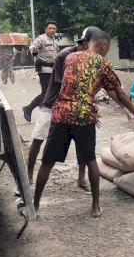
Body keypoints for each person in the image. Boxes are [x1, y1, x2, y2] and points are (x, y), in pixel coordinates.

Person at [32, 29, 134, 218]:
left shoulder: (70, 57)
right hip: (83, 115)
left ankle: (35, 206)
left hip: (61, 113)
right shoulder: (103, 64)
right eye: (108, 48)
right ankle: (96, 206)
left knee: (47, 161)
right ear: (104, 45)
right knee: (90, 160)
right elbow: (119, 93)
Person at [27, 26, 102, 188]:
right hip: (53, 103)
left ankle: (82, 177)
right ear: (86, 42)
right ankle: (29, 174)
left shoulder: (91, 58)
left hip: (71, 106)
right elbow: (68, 86)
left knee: (83, 143)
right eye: (94, 44)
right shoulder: (65, 56)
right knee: (39, 139)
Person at [23, 20, 59, 122]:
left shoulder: (54, 41)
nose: (52, 30)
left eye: (54, 28)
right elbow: (33, 47)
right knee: (46, 93)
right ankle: (28, 108)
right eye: (50, 28)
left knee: (54, 92)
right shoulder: (41, 38)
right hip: (44, 70)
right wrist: (34, 50)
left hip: (54, 70)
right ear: (45, 29)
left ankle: (48, 111)